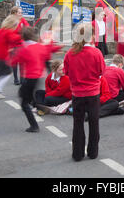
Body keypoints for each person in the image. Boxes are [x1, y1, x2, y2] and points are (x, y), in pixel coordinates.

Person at [64, 22, 105, 161]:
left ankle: (77, 154)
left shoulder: (70, 53)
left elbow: (67, 72)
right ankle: (93, 152)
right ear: (92, 36)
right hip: (93, 93)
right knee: (94, 123)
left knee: (78, 123)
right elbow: (101, 72)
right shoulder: (96, 53)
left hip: (77, 93)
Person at [11, 27, 57, 132]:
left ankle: (34, 125)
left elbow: (14, 61)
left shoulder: (24, 48)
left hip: (29, 77)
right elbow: (47, 55)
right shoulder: (39, 46)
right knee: (27, 95)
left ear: (23, 36)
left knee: (24, 102)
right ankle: (38, 106)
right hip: (39, 76)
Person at [10, 6, 30, 85]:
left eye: (21, 13)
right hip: (13, 45)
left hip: (21, 45)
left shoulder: (22, 20)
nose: (21, 14)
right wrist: (21, 34)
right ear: (15, 13)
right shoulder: (11, 22)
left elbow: (27, 27)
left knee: (22, 62)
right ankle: (15, 78)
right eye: (19, 13)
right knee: (15, 62)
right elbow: (12, 34)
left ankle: (22, 78)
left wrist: (28, 30)